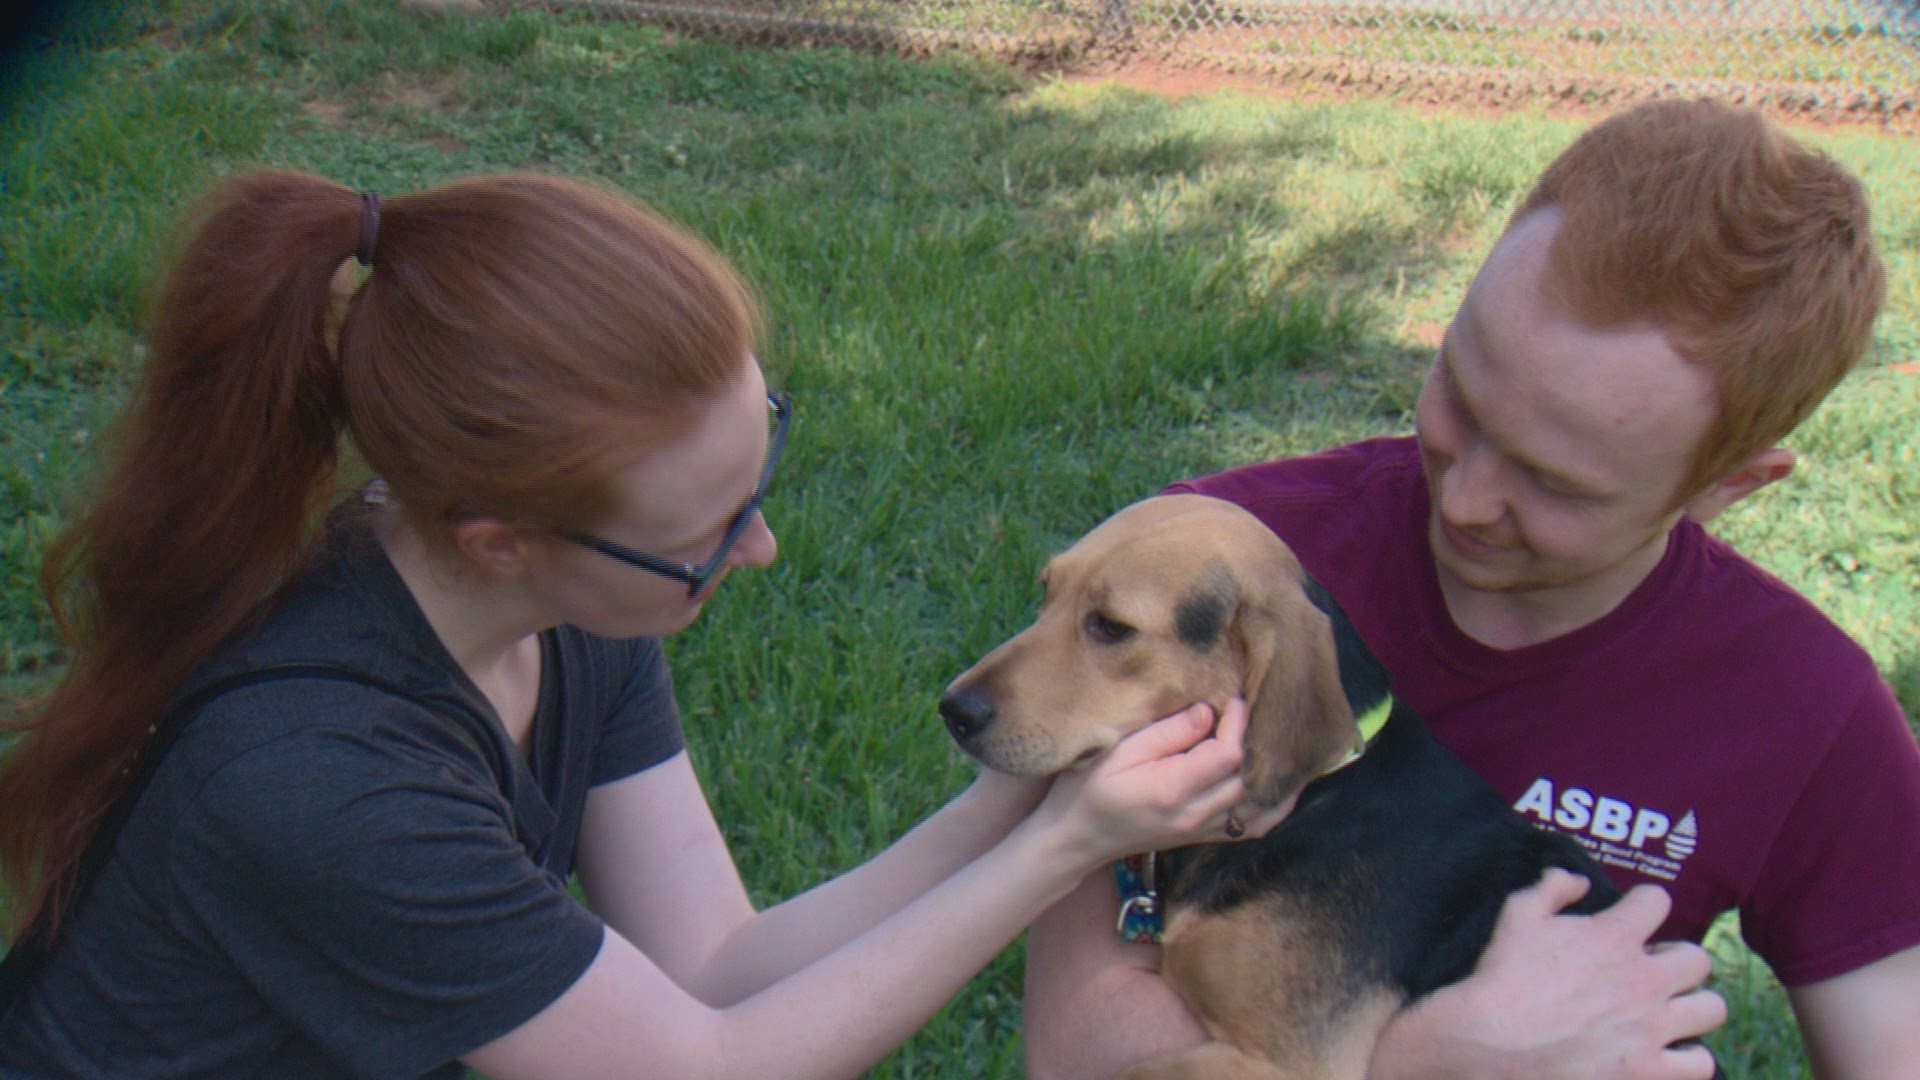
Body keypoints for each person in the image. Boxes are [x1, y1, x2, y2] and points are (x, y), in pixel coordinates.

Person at [0, 170, 1269, 1078]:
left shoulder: (564, 607)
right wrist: (1057, 858)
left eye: (755, 477)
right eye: (704, 536)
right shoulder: (317, 779)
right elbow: (700, 1064)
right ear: (502, 534)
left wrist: (1027, 800)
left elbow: (713, 965)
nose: (757, 549)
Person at [1022, 98, 1920, 1079]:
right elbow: (1079, 1054)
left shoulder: (1803, 709)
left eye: (1557, 481)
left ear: (1724, 486)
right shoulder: (1216, 571)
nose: (1469, 496)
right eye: (1461, 389)